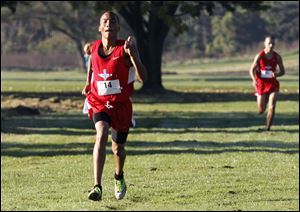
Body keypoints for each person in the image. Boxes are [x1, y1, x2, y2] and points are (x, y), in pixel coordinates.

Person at [81, 11, 147, 201]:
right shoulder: (94, 47)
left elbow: (144, 78)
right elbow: (92, 64)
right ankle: (97, 186)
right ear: (100, 28)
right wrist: (87, 82)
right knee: (101, 134)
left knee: (118, 149)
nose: (108, 23)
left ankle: (119, 176)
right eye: (105, 21)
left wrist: (134, 54)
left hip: (120, 106)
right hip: (98, 101)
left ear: (118, 28)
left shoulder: (125, 50)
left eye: (113, 21)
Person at [249, 36, 285, 131]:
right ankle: (263, 102)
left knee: (272, 106)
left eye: (273, 43)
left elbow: (283, 72)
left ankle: (267, 128)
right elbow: (251, 70)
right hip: (261, 84)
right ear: (265, 44)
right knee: (261, 110)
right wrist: (254, 79)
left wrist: (276, 74)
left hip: (273, 84)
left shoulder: (277, 57)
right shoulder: (259, 56)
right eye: (269, 43)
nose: (271, 45)